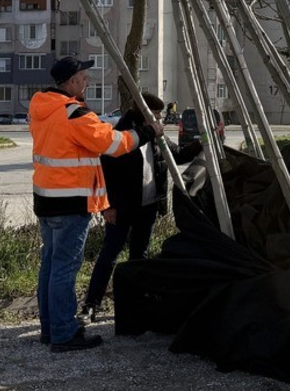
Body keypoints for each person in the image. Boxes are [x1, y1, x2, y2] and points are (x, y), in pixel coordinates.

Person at [30, 56, 163, 352]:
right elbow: (113, 144)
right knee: (64, 268)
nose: (88, 81)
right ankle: (64, 334)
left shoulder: (41, 108)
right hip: (71, 202)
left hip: (47, 199)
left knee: (50, 265)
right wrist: (148, 132)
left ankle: (50, 328)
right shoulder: (74, 113)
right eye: (84, 77)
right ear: (72, 81)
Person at [80, 92, 202, 319]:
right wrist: (107, 207)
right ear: (142, 112)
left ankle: (135, 303)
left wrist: (201, 143)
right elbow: (105, 173)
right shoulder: (120, 134)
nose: (159, 118)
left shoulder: (156, 136)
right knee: (110, 254)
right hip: (122, 207)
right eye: (155, 114)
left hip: (148, 206)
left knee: (140, 255)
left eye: (160, 114)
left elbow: (177, 155)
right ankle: (91, 304)